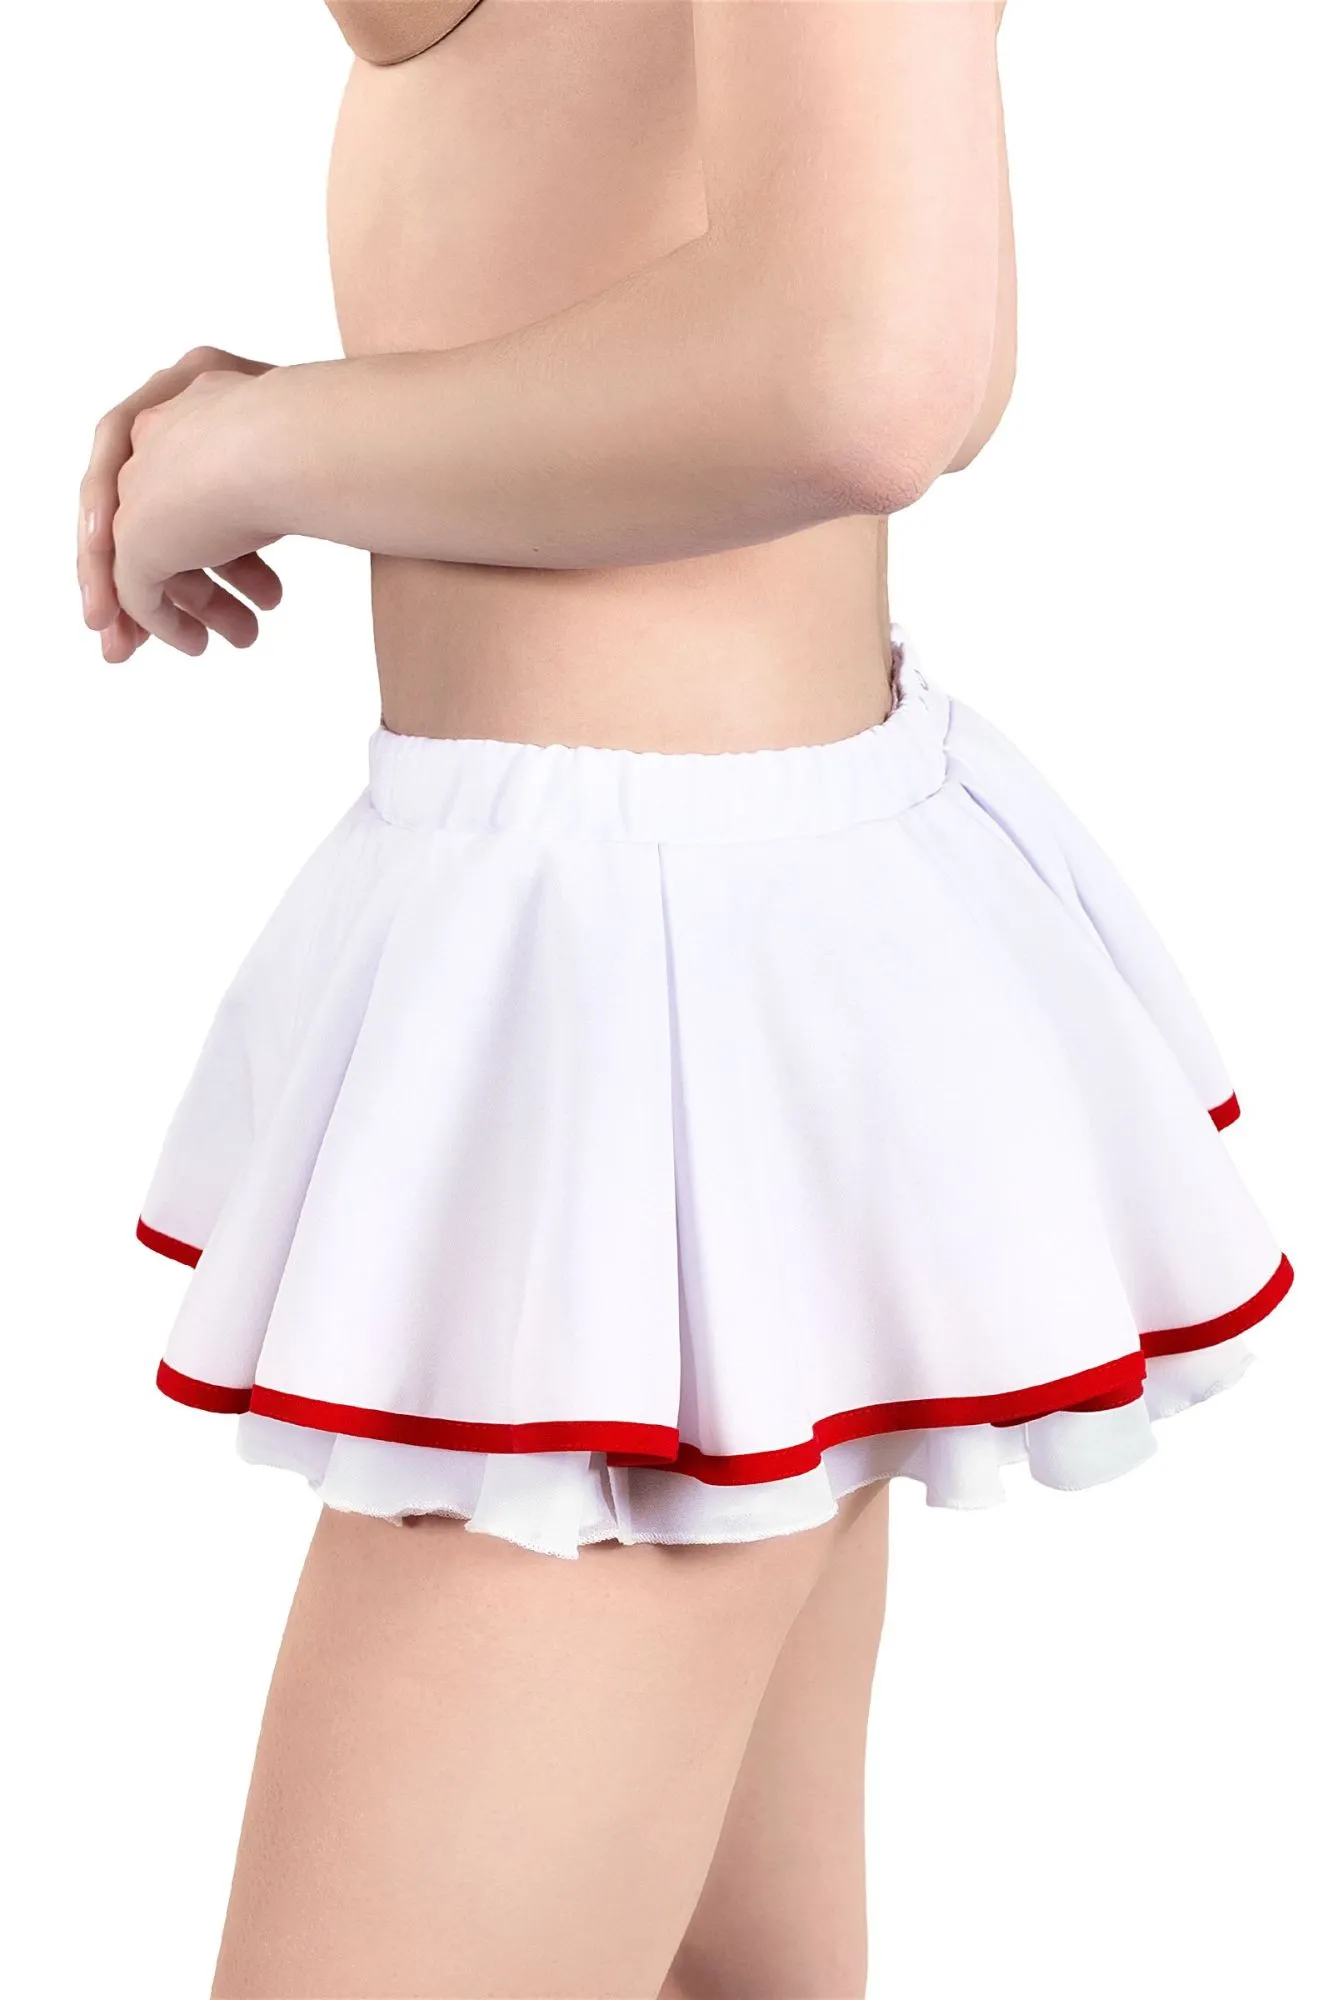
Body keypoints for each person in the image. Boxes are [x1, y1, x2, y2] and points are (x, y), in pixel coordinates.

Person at [75, 6, 1291, 1997]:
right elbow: (895, 315)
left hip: (649, 1045)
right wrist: (317, 419)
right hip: (644, 976)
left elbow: (877, 363)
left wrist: (267, 450)